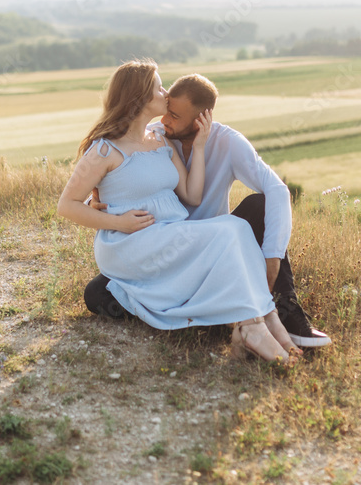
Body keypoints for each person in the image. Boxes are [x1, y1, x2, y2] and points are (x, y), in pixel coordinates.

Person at [57, 59, 302, 364]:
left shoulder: (160, 139)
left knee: (235, 228)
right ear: (140, 98)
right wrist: (117, 222)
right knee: (232, 230)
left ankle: (257, 322)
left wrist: (199, 146)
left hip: (168, 233)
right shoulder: (106, 149)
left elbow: (192, 195)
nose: (166, 92)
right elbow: (66, 206)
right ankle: (256, 324)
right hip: (129, 242)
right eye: (159, 87)